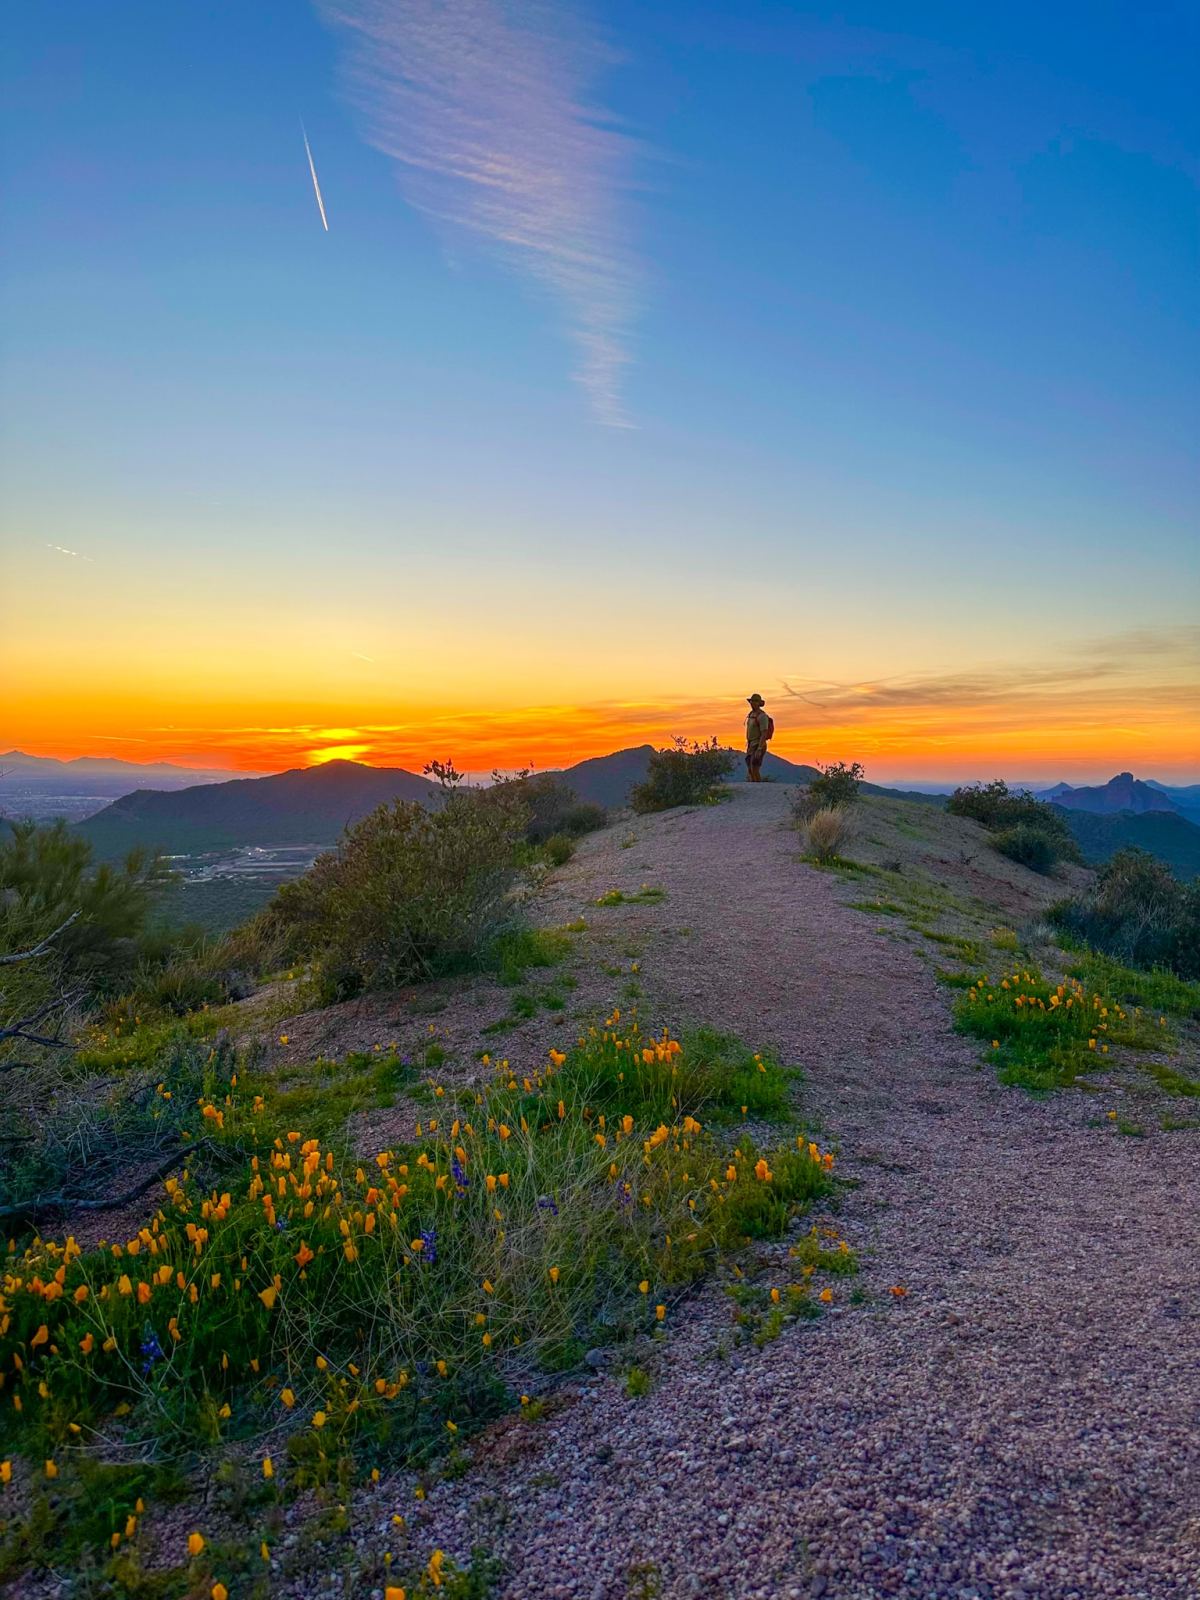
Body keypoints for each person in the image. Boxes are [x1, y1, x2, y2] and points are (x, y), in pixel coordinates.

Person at [745, 693, 773, 782]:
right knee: (750, 768)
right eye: (752, 701)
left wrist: (760, 748)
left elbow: (764, 733)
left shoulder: (762, 716)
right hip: (751, 744)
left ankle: (758, 786)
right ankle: (754, 785)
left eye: (755, 701)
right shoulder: (751, 715)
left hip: (758, 744)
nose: (753, 703)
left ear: (759, 703)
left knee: (754, 767)